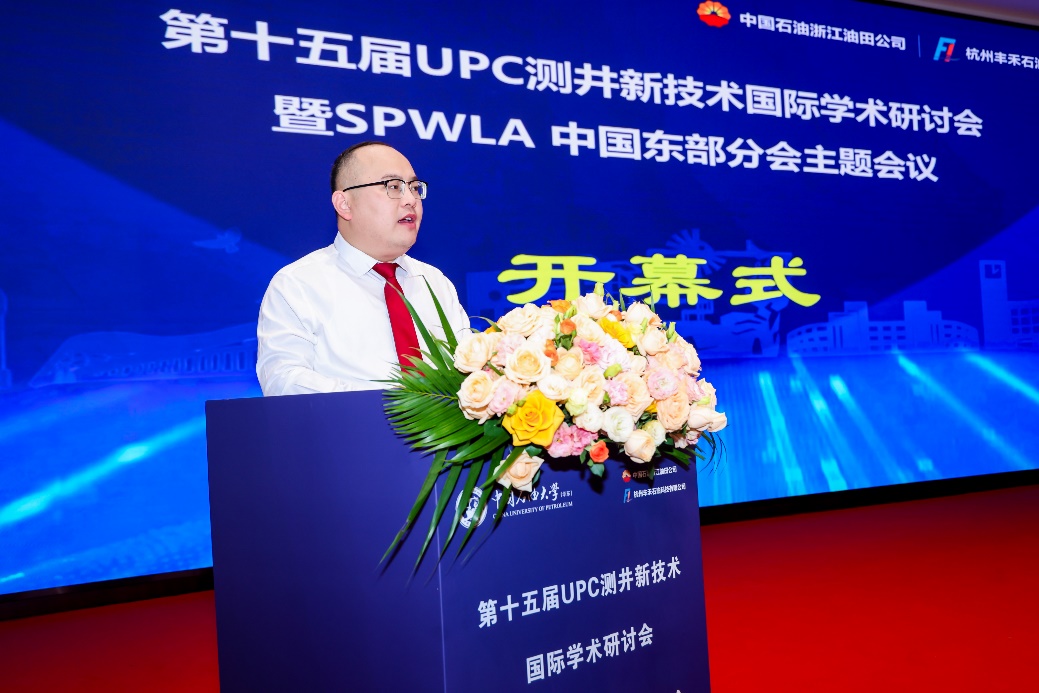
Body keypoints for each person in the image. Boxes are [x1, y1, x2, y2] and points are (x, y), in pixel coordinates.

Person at [256, 141, 470, 396]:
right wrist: (391, 403)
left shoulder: (434, 282)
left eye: (414, 188)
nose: (411, 200)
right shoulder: (298, 285)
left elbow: (470, 374)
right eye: (393, 187)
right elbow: (283, 382)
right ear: (344, 204)